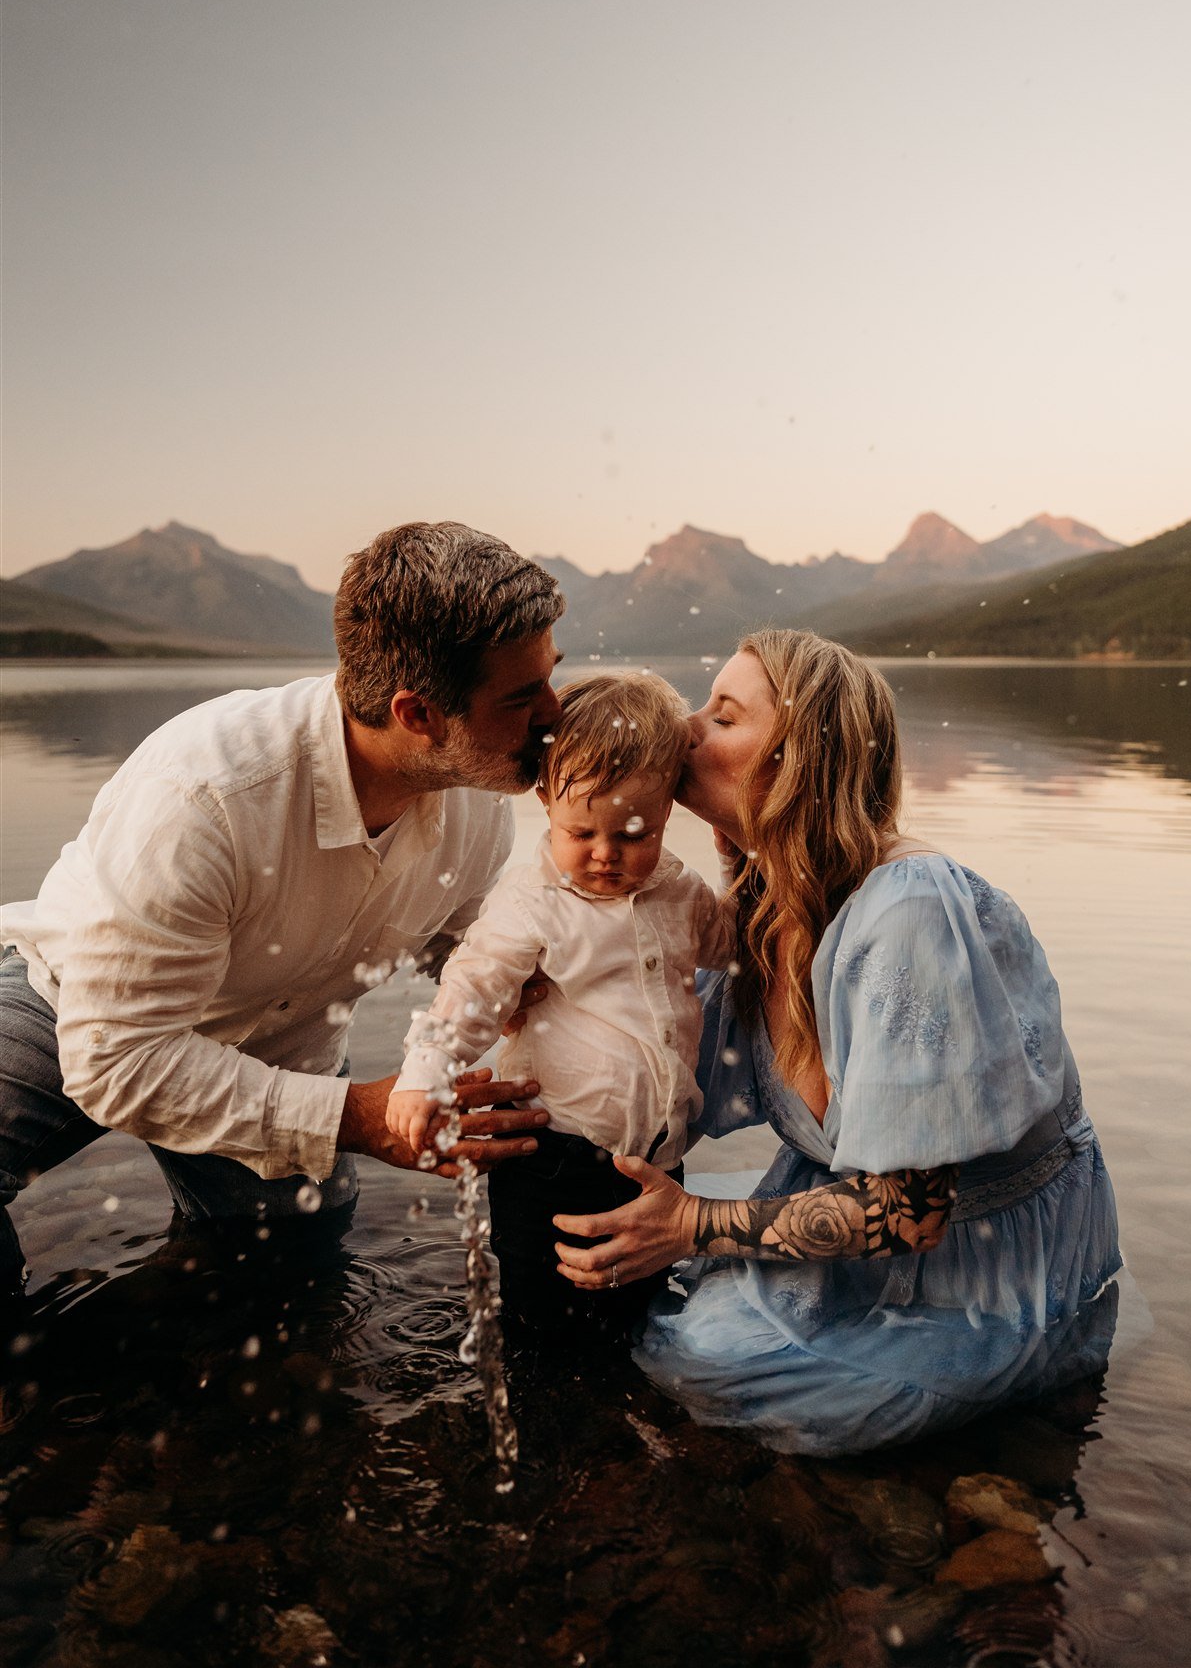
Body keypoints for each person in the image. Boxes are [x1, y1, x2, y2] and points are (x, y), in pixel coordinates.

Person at [551, 630, 1122, 1454]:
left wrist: (690, 1226)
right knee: (649, 1317)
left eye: (723, 716)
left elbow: (912, 1211)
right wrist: (539, 1009)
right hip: (861, 1212)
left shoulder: (910, 912)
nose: (684, 728)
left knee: (707, 1357)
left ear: (799, 760)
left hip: (984, 1268)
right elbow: (659, 1078)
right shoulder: (763, 905)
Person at [0, 521, 563, 1296]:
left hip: (280, 1050)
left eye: (549, 678)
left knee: (293, 1281)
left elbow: (456, 941)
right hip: (81, 1010)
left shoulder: (476, 795)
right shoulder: (205, 797)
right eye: (523, 697)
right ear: (418, 714)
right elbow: (118, 1061)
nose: (554, 713)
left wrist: (533, 980)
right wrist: (360, 1117)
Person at [388, 671, 733, 1337]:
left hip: (656, 1153)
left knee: (638, 1297)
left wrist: (741, 866)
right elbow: (474, 989)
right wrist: (424, 1071)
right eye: (583, 833)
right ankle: (539, 1378)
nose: (606, 855)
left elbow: (730, 944)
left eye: (634, 833)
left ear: (669, 809)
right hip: (551, 1153)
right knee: (543, 1308)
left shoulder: (681, 891)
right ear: (546, 798)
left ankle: (623, 1380)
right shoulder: (531, 903)